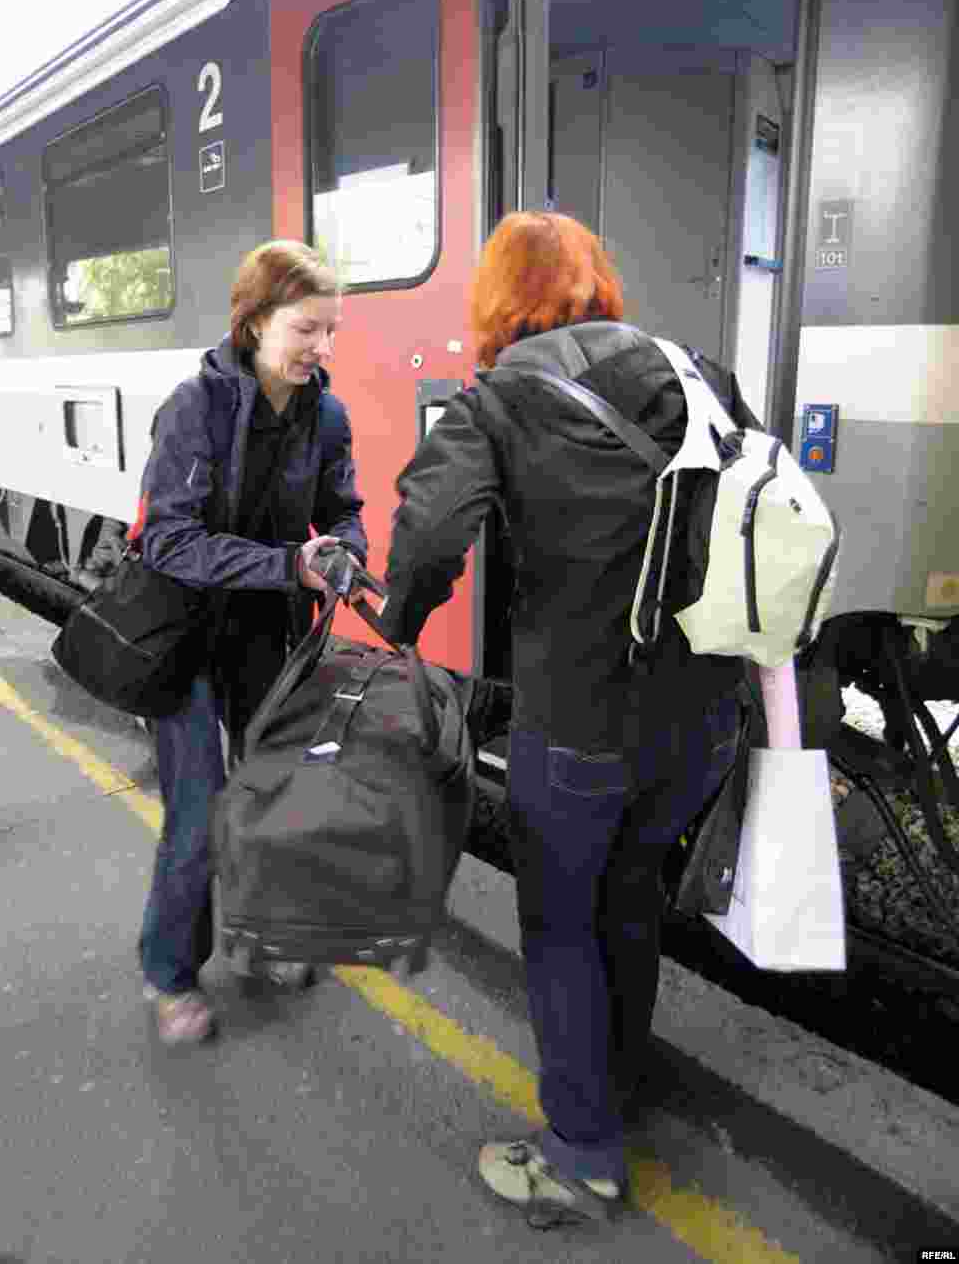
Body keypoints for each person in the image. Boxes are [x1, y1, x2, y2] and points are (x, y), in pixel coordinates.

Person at [379, 212, 758, 1227]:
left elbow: (427, 541)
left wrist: (397, 628)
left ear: (499, 300)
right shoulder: (698, 373)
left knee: (558, 929)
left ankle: (582, 1155)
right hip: (703, 720)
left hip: (581, 725)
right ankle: (619, 1077)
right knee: (631, 894)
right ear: (598, 282)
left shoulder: (496, 399)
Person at [135, 240, 367, 1046]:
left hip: (272, 639)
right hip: (188, 641)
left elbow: (344, 509)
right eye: (308, 329)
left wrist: (346, 550)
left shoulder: (325, 416)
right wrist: (285, 563)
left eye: (332, 331)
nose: (324, 349)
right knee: (198, 815)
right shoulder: (193, 408)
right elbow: (167, 540)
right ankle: (169, 971)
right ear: (255, 320)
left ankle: (263, 942)